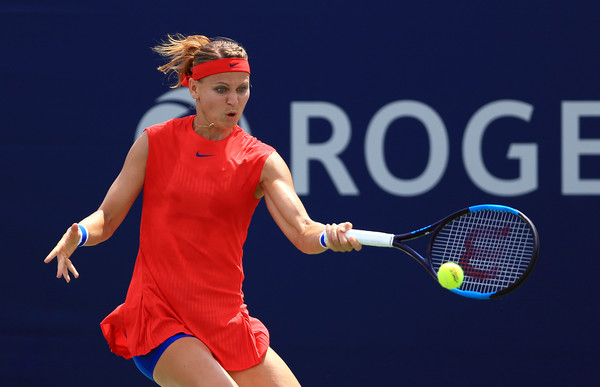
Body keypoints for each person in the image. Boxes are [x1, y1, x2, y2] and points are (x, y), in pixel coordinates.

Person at [44, 33, 362, 387]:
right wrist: (81, 233)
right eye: (221, 89)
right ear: (194, 88)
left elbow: (303, 231)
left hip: (226, 321)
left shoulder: (261, 160)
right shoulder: (154, 141)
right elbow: (108, 217)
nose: (234, 100)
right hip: (159, 317)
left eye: (243, 88)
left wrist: (327, 236)